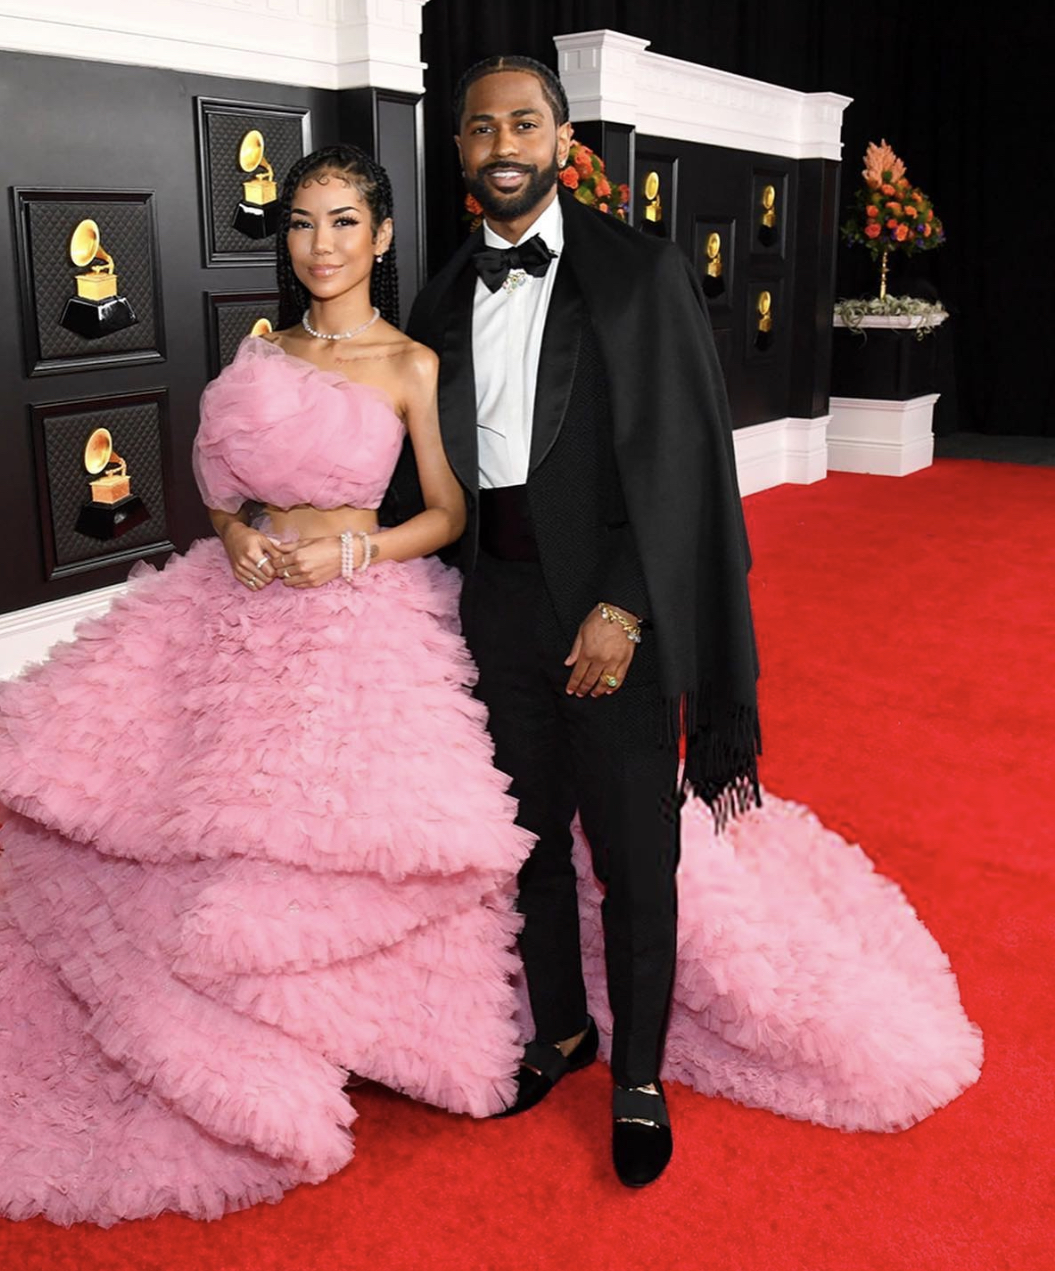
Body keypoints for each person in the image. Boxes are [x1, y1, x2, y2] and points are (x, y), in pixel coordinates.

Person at [0, 144, 537, 1225]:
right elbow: (222, 486)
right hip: (239, 603)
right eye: (302, 222)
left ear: (382, 236)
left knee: (324, 826)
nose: (321, 244)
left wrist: (351, 553)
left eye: (344, 222)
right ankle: (209, 1017)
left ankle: (329, 1019)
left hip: (356, 612)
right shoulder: (261, 351)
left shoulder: (410, 363)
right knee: (185, 810)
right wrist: (237, 533)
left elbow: (444, 512)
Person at [380, 55, 976, 1187]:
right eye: (481, 128)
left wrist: (626, 607)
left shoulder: (639, 273)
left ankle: (640, 1074)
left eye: (524, 123)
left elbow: (681, 462)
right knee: (526, 839)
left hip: (617, 607)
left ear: (563, 141)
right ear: (458, 149)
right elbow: (418, 470)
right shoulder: (442, 295)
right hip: (492, 605)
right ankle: (563, 1029)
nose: (502, 145)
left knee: (635, 852)